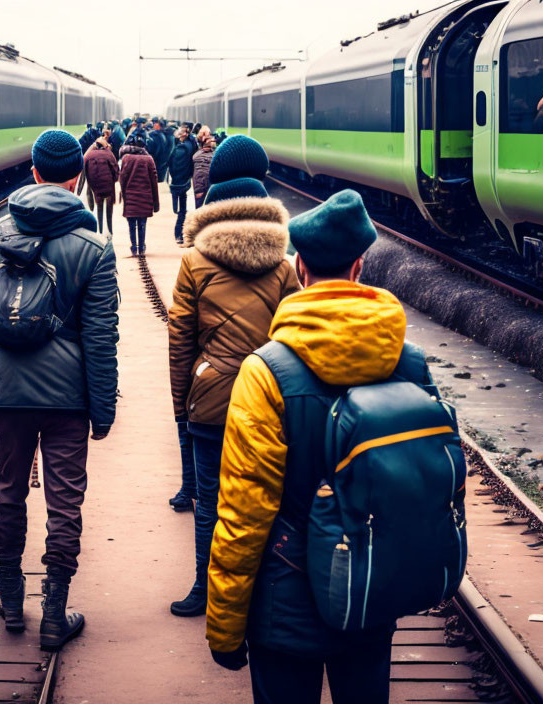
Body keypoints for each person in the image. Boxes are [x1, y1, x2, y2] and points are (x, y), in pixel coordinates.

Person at [206, 190, 437, 703]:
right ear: (359, 265)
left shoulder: (265, 371)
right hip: (372, 592)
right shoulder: (410, 363)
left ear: (299, 266)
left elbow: (245, 511)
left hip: (284, 602)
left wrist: (224, 624)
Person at [0, 129, 119, 650]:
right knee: (64, 502)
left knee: (7, 493)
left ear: (33, 174)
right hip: (68, 397)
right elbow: (100, 338)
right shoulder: (94, 249)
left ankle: (8, 605)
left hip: (7, 391)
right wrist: (103, 407)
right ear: (77, 181)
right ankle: (53, 614)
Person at [167, 135, 300, 617]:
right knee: (269, 499)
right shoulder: (285, 268)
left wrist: (183, 405)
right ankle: (264, 594)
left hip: (213, 401)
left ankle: (206, 590)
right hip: (271, 401)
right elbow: (294, 338)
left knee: (210, 502)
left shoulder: (194, 262)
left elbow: (180, 341)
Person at [119, 134, 160, 256]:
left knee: (132, 225)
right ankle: (142, 247)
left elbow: (122, 178)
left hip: (131, 197)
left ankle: (133, 247)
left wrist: (124, 194)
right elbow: (154, 182)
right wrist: (155, 203)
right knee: (142, 224)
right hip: (145, 197)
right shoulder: (149, 159)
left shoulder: (126, 158)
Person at [82, 130, 119, 235]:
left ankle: (100, 230)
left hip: (96, 188)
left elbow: (84, 169)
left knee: (99, 209)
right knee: (109, 211)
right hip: (108, 187)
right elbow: (116, 170)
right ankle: (110, 231)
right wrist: (115, 180)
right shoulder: (109, 154)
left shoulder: (89, 155)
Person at [167, 124, 197, 244]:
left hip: (179, 181)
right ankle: (179, 233)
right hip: (185, 181)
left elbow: (172, 162)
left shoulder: (182, 148)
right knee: (182, 209)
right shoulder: (191, 145)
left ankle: (178, 233)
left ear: (185, 134)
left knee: (181, 210)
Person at [192, 136, 215, 208]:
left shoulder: (196, 155)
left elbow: (198, 174)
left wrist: (198, 190)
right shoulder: (215, 155)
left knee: (199, 209)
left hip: (199, 187)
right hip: (211, 187)